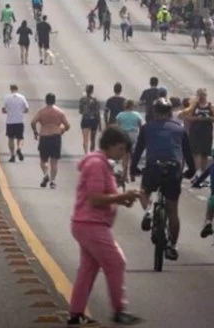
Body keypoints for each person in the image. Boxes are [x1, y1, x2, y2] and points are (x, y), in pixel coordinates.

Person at [67, 126, 143, 327]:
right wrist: (122, 196)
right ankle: (119, 310)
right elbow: (95, 198)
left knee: (89, 268)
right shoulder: (96, 164)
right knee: (116, 262)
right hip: (91, 223)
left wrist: (121, 199)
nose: (122, 154)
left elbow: (103, 196)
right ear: (109, 146)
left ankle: (75, 313)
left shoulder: (101, 163)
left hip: (87, 223)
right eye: (120, 149)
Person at [131, 98, 195, 261]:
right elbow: (187, 153)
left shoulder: (146, 128)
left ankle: (149, 212)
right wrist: (191, 171)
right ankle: (173, 247)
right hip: (173, 168)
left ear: (154, 112)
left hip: (153, 167)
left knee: (144, 190)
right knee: (172, 211)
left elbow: (138, 150)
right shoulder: (179, 129)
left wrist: (133, 168)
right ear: (169, 112)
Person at [32, 93, 71, 189]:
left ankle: (46, 174)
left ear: (46, 101)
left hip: (44, 136)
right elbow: (67, 125)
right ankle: (53, 181)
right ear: (54, 100)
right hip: (55, 137)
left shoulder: (41, 111)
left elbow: (33, 122)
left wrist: (35, 132)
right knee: (54, 161)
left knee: (43, 160)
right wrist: (61, 130)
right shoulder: (59, 112)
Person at [2, 83, 29, 163]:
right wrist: (21, 112)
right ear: (17, 89)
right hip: (19, 121)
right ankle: (19, 148)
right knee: (20, 138)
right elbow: (27, 109)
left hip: (10, 121)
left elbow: (3, 109)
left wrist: (8, 111)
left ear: (11, 89)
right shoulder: (22, 97)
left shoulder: (7, 97)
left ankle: (12, 155)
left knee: (10, 138)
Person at [78, 84, 102, 153]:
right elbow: (97, 112)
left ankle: (86, 153)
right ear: (92, 91)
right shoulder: (95, 100)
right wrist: (100, 124)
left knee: (85, 139)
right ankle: (92, 153)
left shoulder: (82, 100)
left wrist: (86, 110)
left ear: (86, 91)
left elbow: (80, 111)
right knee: (93, 139)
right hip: (93, 120)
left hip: (85, 120)